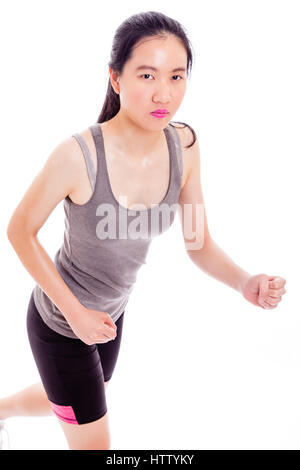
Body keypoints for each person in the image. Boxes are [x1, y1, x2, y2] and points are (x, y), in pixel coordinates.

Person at [1, 11, 286, 451]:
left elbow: (199, 243)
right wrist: (75, 313)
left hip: (110, 319)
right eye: (147, 75)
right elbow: (19, 231)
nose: (164, 94)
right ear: (115, 79)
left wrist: (245, 281)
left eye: (176, 76)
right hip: (61, 323)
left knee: (81, 398)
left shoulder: (184, 146)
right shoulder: (78, 156)